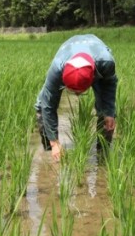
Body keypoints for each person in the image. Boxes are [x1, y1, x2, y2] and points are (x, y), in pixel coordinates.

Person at [35, 34, 117, 162]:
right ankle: (50, 151)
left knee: (106, 115)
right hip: (68, 49)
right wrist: (54, 142)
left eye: (80, 92)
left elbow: (110, 85)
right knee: (41, 106)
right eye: (73, 92)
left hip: (95, 56)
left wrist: (109, 112)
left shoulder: (106, 63)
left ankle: (103, 156)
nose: (77, 95)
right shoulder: (57, 68)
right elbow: (47, 105)